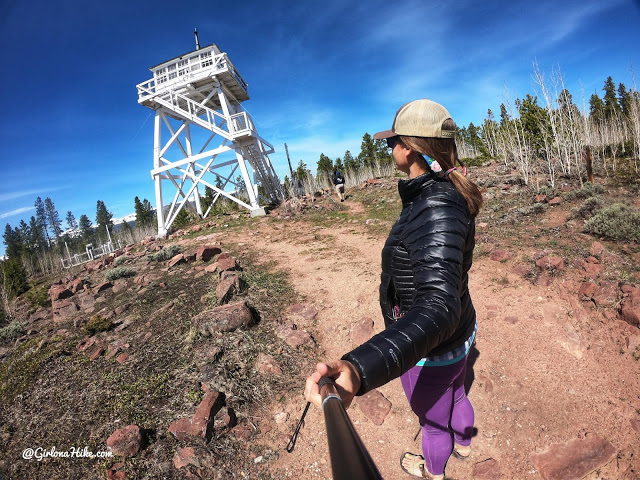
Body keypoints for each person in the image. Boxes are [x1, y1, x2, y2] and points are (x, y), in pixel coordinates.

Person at [305, 99, 483, 479]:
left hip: (431, 348)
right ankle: (465, 443)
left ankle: (434, 471)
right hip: (461, 335)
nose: (390, 150)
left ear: (411, 149)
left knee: (434, 424)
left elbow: (437, 306)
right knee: (458, 392)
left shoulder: (436, 204)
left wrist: (358, 368)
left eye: (392, 142)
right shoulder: (442, 190)